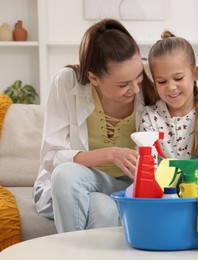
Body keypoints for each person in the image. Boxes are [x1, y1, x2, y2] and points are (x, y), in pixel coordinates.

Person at [32, 19, 159, 232]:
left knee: (105, 207)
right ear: (93, 78)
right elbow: (51, 157)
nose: (135, 89)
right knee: (99, 206)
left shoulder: (150, 89)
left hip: (121, 185)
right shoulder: (66, 83)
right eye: (123, 84)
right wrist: (110, 154)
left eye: (137, 77)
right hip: (70, 184)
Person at [140, 31, 198, 160]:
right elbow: (148, 163)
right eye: (162, 81)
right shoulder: (149, 117)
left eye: (178, 78)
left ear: (195, 73)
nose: (171, 87)